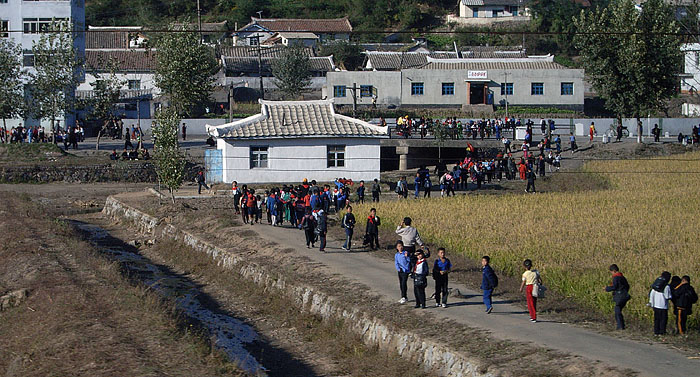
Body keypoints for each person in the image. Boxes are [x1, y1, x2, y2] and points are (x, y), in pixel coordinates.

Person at [604, 264, 630, 330]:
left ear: (614, 271)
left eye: (611, 272)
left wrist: (607, 288)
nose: (611, 274)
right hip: (625, 296)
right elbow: (627, 286)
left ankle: (620, 326)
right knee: (619, 310)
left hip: (619, 296)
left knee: (617, 310)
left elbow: (614, 287)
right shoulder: (622, 277)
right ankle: (621, 325)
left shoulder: (616, 277)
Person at [649, 271, 672, 336]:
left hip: (656, 305)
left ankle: (656, 332)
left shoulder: (655, 285)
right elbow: (667, 296)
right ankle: (662, 332)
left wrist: (651, 303)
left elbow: (652, 294)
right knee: (663, 320)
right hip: (663, 306)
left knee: (656, 319)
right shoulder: (666, 286)